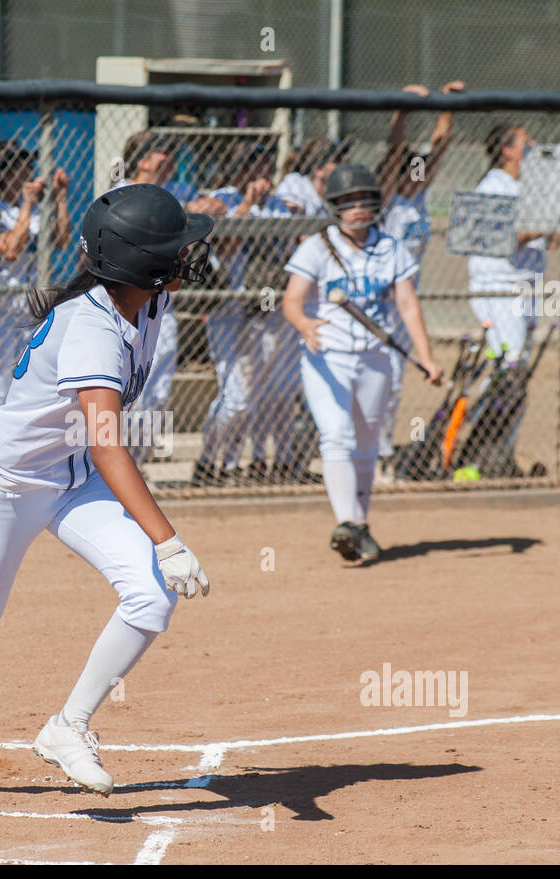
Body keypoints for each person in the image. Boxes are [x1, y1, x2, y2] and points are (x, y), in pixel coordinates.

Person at [0, 184, 214, 798]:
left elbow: (95, 449)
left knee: (151, 598)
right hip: (8, 486)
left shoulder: (146, 303)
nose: (189, 257)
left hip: (72, 479)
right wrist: (168, 538)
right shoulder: (94, 328)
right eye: (176, 250)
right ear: (144, 267)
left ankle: (67, 727)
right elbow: (107, 441)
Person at [281, 164, 443, 562]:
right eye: (347, 202)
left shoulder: (390, 247)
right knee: (336, 435)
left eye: (364, 200)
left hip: (376, 357)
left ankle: (359, 524)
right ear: (333, 206)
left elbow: (407, 304)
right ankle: (347, 523)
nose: (357, 209)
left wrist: (425, 356)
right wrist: (304, 324)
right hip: (327, 356)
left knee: (368, 444)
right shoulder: (317, 246)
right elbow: (292, 300)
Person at [108, 131, 223, 466]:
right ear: (142, 159)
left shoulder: (177, 192)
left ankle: (137, 465)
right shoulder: (121, 191)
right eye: (162, 152)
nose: (170, 157)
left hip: (162, 307)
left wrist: (186, 207)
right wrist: (180, 211)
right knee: (123, 389)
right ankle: (114, 469)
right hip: (125, 306)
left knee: (156, 392)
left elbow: (215, 206)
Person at [373, 81, 464, 482]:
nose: (418, 174)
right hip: (376, 301)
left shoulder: (418, 198)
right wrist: (402, 110)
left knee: (392, 382)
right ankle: (369, 450)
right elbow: (394, 154)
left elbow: (440, 150)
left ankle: (381, 451)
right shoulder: (388, 198)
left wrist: (447, 108)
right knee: (378, 380)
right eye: (412, 168)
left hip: (404, 303)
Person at [190, 140, 292, 486]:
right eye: (255, 164)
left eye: (267, 164)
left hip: (266, 309)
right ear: (240, 169)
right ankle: (207, 459)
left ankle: (229, 466)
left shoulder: (279, 204)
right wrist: (248, 203)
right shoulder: (223, 199)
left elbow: (288, 250)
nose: (263, 172)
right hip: (229, 309)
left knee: (252, 396)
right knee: (235, 396)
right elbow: (226, 244)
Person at [0, 141, 72, 429]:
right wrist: (26, 205)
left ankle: (11, 460)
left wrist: (60, 198)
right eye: (23, 166)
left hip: (27, 313)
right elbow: (9, 248)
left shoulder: (33, 210)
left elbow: (61, 240)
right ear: (5, 173)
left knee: (24, 391)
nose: (31, 171)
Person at [467, 123, 558, 365]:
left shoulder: (526, 186)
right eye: (525, 143)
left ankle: (503, 403)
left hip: (526, 282)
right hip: (499, 286)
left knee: (519, 361)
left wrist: (549, 232)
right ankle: (491, 403)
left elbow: (546, 237)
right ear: (508, 151)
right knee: (510, 360)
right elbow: (500, 239)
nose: (533, 147)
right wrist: (542, 228)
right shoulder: (493, 187)